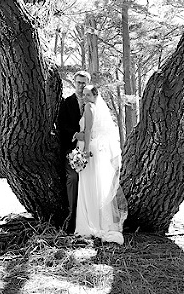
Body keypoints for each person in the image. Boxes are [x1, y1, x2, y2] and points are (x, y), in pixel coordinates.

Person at [74, 85, 128, 244]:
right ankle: (100, 223)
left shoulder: (89, 107)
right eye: (83, 94)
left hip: (89, 150)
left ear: (95, 95)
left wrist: (83, 150)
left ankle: (91, 224)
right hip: (96, 149)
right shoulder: (97, 108)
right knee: (96, 187)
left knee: (89, 187)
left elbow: (89, 131)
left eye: (88, 94)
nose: (85, 97)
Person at [57, 70, 90, 233]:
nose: (81, 85)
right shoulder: (67, 102)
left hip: (91, 149)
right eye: (79, 82)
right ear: (74, 83)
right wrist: (76, 134)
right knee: (73, 177)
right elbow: (61, 125)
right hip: (72, 147)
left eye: (84, 82)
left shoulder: (94, 102)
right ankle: (72, 216)